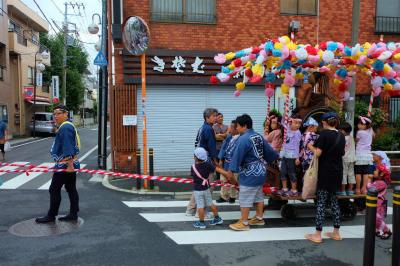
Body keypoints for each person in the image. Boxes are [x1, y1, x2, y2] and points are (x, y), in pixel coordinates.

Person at [222, 114, 278, 231]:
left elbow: (237, 156)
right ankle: (259, 218)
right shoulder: (257, 136)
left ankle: (244, 222)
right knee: (258, 196)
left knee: (245, 197)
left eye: (237, 126)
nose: (236, 128)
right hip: (261, 170)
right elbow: (271, 154)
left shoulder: (243, 139)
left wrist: (231, 171)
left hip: (249, 172)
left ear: (244, 126)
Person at [36, 105, 81, 223]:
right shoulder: (67, 125)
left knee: (54, 189)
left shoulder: (65, 127)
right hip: (69, 162)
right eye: (54, 114)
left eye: (58, 113)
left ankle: (51, 215)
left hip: (65, 164)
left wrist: (70, 166)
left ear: (66, 114)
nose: (55, 116)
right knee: (71, 188)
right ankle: (73, 213)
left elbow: (68, 147)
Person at [305, 112, 345, 243]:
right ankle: (336, 232)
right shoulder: (341, 135)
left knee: (321, 202)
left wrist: (309, 145)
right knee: (334, 201)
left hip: (325, 172)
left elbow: (318, 153)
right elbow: (342, 153)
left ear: (325, 122)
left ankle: (317, 234)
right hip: (337, 172)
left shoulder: (324, 135)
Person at [186, 108, 219, 216]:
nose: (216, 118)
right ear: (207, 117)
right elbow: (212, 146)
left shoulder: (202, 128)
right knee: (208, 186)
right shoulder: (209, 129)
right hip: (206, 161)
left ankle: (190, 209)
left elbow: (197, 143)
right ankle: (202, 211)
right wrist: (215, 161)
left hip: (198, 159)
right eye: (214, 116)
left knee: (199, 185)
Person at [192, 147, 224, 229]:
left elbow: (193, 177)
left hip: (198, 189)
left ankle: (201, 222)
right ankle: (217, 218)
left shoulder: (193, 167)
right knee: (210, 203)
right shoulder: (208, 164)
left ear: (196, 157)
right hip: (206, 188)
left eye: (194, 155)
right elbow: (214, 170)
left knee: (200, 206)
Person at [278, 114, 302, 197]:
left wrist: (297, 157)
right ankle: (284, 188)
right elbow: (282, 121)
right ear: (291, 122)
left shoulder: (297, 133)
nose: (297, 125)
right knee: (283, 171)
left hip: (292, 155)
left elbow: (297, 146)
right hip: (284, 153)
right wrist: (285, 112)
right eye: (296, 123)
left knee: (292, 173)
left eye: (299, 123)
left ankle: (294, 190)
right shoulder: (287, 128)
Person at [369, 151, 392, 239]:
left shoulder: (380, 183)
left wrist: (369, 179)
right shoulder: (381, 181)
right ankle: (377, 230)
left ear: (381, 174)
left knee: (376, 217)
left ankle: (386, 231)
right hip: (380, 201)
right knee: (377, 217)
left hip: (378, 201)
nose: (374, 172)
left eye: (376, 171)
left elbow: (369, 188)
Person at [216, 120, 239, 203]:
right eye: (230, 126)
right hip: (226, 161)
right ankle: (223, 196)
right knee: (223, 179)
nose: (230, 128)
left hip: (235, 163)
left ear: (237, 128)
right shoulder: (229, 136)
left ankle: (233, 196)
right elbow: (223, 148)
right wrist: (221, 159)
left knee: (234, 179)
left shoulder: (241, 138)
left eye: (232, 127)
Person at [355, 116, 374, 195]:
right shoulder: (371, 132)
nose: (358, 125)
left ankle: (358, 189)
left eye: (361, 124)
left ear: (365, 125)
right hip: (368, 155)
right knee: (365, 173)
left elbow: (356, 141)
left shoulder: (359, 132)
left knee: (358, 172)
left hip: (359, 154)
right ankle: (364, 189)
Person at [338, 122, 356, 196]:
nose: (339, 131)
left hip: (344, 159)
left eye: (340, 130)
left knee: (344, 174)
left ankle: (343, 190)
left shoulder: (343, 138)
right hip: (352, 158)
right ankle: (350, 190)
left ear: (343, 131)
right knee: (351, 174)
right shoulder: (352, 138)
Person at [213, 112, 228, 180]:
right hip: (217, 148)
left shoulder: (226, 126)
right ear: (216, 118)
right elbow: (215, 137)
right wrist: (223, 135)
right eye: (219, 117)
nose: (221, 118)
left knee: (224, 162)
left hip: (225, 148)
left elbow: (227, 136)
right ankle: (218, 178)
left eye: (222, 117)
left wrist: (220, 135)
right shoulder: (213, 127)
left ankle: (225, 177)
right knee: (217, 163)